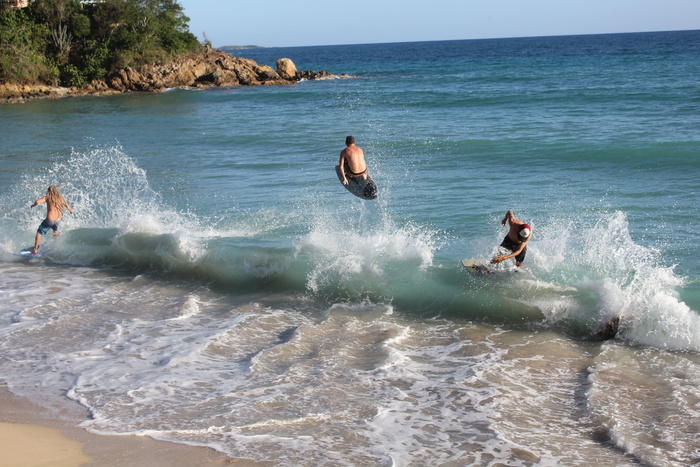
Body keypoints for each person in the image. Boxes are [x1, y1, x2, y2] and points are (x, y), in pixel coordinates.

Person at [30, 185, 73, 254]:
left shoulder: (47, 198)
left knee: (39, 233)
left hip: (49, 220)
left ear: (49, 191)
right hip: (57, 220)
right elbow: (68, 207)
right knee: (55, 231)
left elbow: (37, 201)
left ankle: (35, 249)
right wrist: (71, 211)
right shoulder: (60, 198)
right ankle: (55, 246)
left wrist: (34, 205)